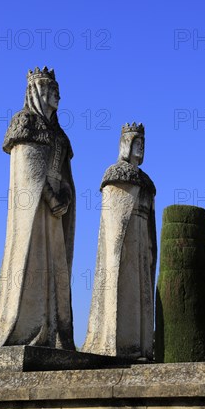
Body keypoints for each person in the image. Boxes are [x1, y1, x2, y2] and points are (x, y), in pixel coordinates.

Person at [0, 67, 76, 349]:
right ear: (35, 91)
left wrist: (64, 197)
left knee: (56, 269)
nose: (56, 94)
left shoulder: (60, 134)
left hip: (55, 213)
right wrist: (52, 197)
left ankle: (53, 331)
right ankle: (26, 329)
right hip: (35, 209)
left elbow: (64, 173)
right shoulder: (25, 122)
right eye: (50, 88)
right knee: (31, 262)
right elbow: (28, 173)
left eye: (57, 89)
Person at [82, 123, 157, 360]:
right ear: (126, 144)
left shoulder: (147, 181)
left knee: (141, 295)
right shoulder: (115, 174)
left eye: (143, 144)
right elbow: (114, 219)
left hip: (142, 240)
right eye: (137, 143)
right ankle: (121, 345)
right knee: (123, 290)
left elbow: (151, 217)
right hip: (126, 243)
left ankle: (140, 346)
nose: (141, 148)